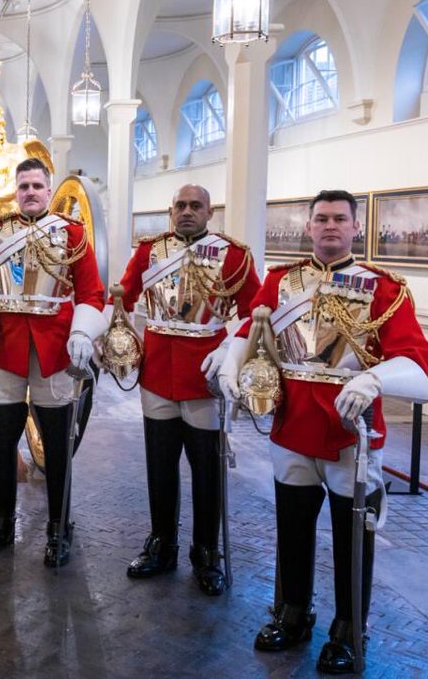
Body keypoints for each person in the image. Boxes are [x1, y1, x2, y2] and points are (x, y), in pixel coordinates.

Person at [218, 190, 428, 674]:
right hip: (292, 425)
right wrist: (231, 366)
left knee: (352, 538)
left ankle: (349, 628)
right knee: (292, 530)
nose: (330, 226)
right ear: (309, 227)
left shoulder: (384, 289)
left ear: (356, 227)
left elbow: (416, 363)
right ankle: (292, 612)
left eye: (340, 219)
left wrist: (375, 378)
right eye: (321, 219)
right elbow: (246, 334)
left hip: (350, 433)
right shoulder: (280, 281)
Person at [0, 158, 105, 566]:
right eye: (24, 186)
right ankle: (0, 520)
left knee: (56, 444)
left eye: (37, 185)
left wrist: (84, 331)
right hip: (5, 348)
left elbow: (91, 294)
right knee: (1, 442)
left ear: (49, 191)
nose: (30, 192)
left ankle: (59, 524)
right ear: (15, 191)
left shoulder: (72, 234)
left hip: (55, 350)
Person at [114, 184, 260, 595]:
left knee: (206, 473)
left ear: (210, 212)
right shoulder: (148, 252)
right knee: (159, 467)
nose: (187, 212)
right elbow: (124, 298)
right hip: (158, 373)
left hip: (204, 377)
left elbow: (256, 314)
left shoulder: (233, 255)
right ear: (170, 210)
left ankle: (206, 552)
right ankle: (161, 543)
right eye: (180, 205)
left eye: (196, 206)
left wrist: (232, 347)